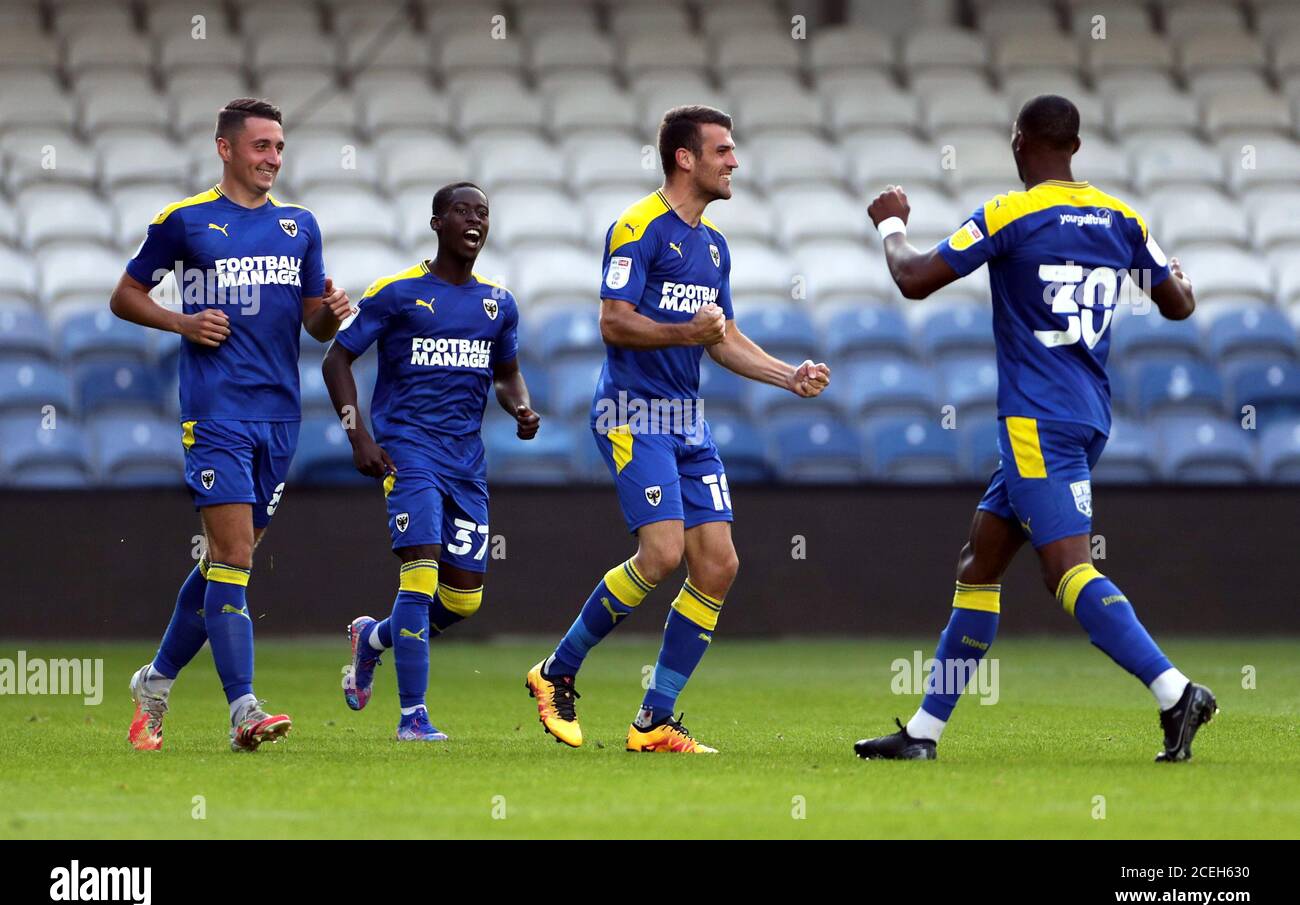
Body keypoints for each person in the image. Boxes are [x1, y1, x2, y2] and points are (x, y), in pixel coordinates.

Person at [854, 94, 1216, 762]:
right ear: (1073, 146)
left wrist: (891, 225)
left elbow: (912, 278)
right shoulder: (1121, 218)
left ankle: (1175, 691)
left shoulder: (1009, 213)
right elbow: (1179, 302)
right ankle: (923, 734)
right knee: (981, 559)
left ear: (1021, 143)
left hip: (1035, 421)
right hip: (1085, 414)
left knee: (1065, 570)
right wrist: (1172, 272)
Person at [525, 106, 831, 753]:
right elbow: (614, 321)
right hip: (633, 416)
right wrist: (683, 333)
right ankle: (555, 671)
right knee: (662, 555)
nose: (734, 162)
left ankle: (653, 720)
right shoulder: (636, 228)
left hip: (685, 421)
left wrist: (788, 376)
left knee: (718, 565)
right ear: (685, 158)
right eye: (723, 150)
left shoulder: (713, 246)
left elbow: (722, 339)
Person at [112, 98, 352, 751]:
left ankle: (155, 684)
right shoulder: (185, 223)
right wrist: (183, 322)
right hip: (215, 410)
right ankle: (243, 708)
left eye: (279, 147)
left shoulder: (300, 226)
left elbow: (315, 323)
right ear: (226, 148)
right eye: (261, 147)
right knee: (237, 558)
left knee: (225, 561)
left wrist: (332, 311)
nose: (273, 158)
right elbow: (126, 294)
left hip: (280, 415)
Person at [322, 182, 538, 740]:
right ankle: (413, 717)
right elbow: (336, 359)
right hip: (407, 452)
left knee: (463, 599)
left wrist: (521, 407)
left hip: (466, 462)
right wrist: (358, 439)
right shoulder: (397, 294)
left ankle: (372, 639)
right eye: (462, 211)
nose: (474, 220)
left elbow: (506, 373)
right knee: (419, 574)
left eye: (483, 213)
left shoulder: (498, 304)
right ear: (437, 222)